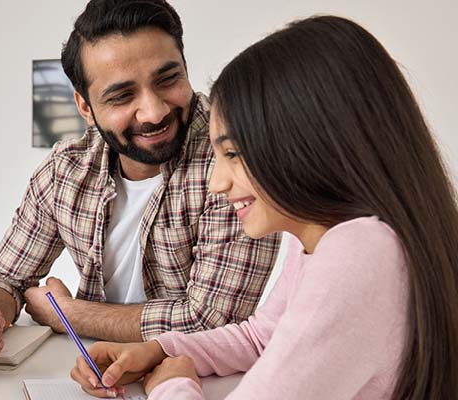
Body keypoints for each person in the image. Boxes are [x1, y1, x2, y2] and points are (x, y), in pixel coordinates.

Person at [69, 15, 458, 399]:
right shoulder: (320, 234)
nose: (217, 182)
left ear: (310, 142)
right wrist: (162, 351)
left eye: (234, 153)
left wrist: (171, 384)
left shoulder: (359, 253)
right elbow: (260, 336)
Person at [0, 0, 281, 367]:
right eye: (122, 96)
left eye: (168, 79)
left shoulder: (233, 159)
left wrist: (66, 314)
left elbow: (212, 320)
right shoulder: (65, 170)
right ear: (85, 107)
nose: (154, 112)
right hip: (94, 372)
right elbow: (5, 275)